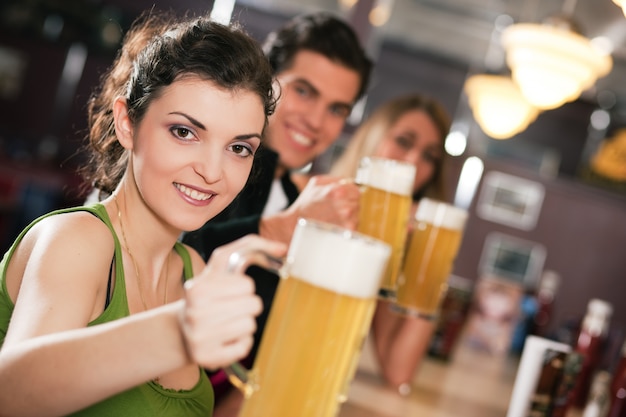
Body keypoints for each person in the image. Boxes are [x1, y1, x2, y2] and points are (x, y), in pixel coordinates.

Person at [0, 14, 287, 417]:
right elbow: (9, 396)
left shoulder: (194, 271)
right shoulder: (77, 240)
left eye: (239, 148)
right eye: (185, 132)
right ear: (127, 124)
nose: (212, 171)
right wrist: (176, 331)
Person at [180, 11, 373, 414]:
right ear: (266, 79)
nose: (317, 121)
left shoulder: (287, 191)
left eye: (338, 109)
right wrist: (286, 229)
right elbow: (173, 261)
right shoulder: (203, 159)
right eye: (304, 91)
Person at [327, 92, 452, 392]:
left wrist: (429, 256)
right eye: (404, 142)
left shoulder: (400, 240)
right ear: (372, 138)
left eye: (429, 156)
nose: (412, 162)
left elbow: (398, 371)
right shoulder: (315, 199)